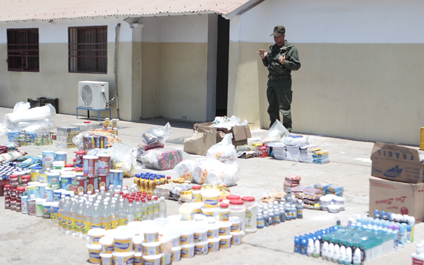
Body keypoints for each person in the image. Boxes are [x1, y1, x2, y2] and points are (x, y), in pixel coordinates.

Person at [257, 26, 301, 132]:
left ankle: (287, 131)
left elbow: (296, 65)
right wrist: (264, 58)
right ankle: (274, 130)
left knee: (284, 109)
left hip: (283, 82)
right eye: (274, 36)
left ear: (283, 36)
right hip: (272, 82)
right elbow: (268, 64)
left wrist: (284, 62)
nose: (275, 38)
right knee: (272, 108)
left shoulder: (291, 49)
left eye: (277, 36)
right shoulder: (272, 48)